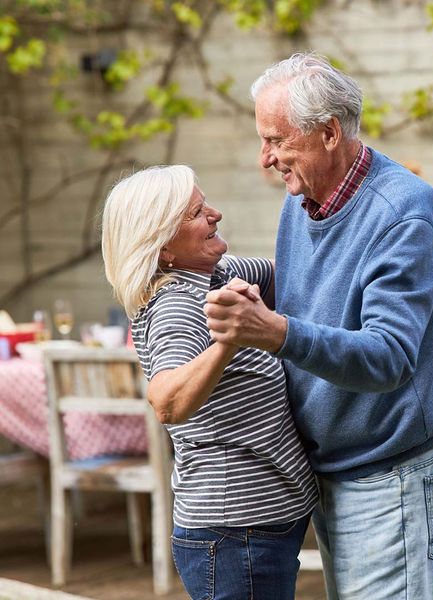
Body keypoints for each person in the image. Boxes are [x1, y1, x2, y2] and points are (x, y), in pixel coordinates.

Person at [204, 52, 433, 599]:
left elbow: (388, 356)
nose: (265, 158)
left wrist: (276, 331)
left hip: (392, 472)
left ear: (328, 132)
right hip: (337, 469)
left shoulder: (402, 215)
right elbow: (310, 284)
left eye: (277, 140)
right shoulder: (303, 201)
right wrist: (193, 271)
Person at [101, 165, 318, 600]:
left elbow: (295, 275)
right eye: (197, 212)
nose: (215, 214)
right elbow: (166, 401)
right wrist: (229, 342)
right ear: (162, 245)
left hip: (261, 524)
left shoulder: (216, 274)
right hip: (235, 532)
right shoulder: (177, 303)